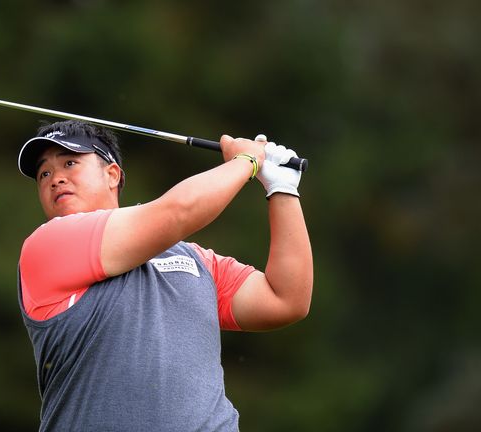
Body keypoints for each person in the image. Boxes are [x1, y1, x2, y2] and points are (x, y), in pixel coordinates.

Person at [16, 120, 313, 431]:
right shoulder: (47, 246)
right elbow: (178, 212)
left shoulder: (193, 258)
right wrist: (248, 160)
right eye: (44, 173)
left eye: (70, 162)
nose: (55, 179)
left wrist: (282, 189)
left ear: (112, 174)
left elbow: (285, 299)